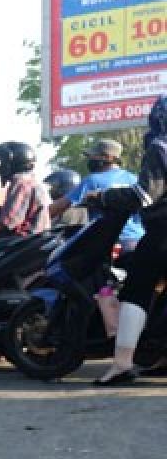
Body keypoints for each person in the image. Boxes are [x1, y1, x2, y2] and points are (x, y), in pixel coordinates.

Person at [87, 96, 167, 385]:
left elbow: (144, 195)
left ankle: (121, 363)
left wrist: (104, 196)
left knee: (136, 291)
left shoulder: (161, 148)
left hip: (162, 233)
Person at [51, 139, 145, 252]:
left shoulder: (92, 180)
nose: (89, 160)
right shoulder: (134, 179)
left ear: (106, 157)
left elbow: (57, 208)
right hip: (138, 242)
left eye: (92, 156)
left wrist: (33, 218)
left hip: (107, 244)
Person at [0, 142, 51, 243]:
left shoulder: (21, 182)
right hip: (34, 240)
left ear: (13, 163)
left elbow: (8, 221)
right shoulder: (32, 181)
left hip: (23, 242)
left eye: (2, 162)